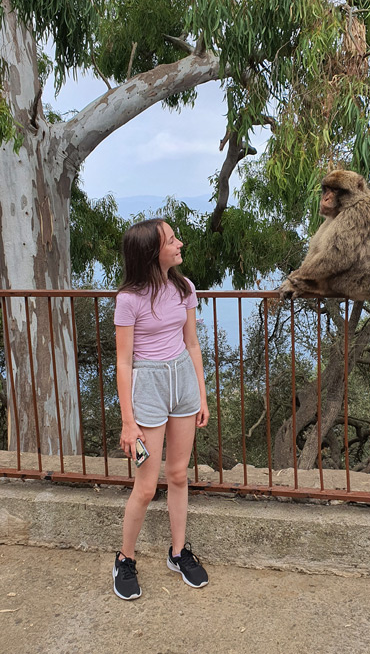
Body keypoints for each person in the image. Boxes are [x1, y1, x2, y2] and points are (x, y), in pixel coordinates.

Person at [112, 218, 209, 600]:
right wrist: (127, 423)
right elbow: (123, 363)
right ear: (154, 252)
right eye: (172, 240)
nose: (179, 243)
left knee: (179, 474)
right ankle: (125, 558)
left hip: (182, 382)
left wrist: (201, 396)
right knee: (146, 485)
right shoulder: (129, 299)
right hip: (148, 388)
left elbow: (193, 344)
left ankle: (178, 552)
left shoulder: (184, 287)